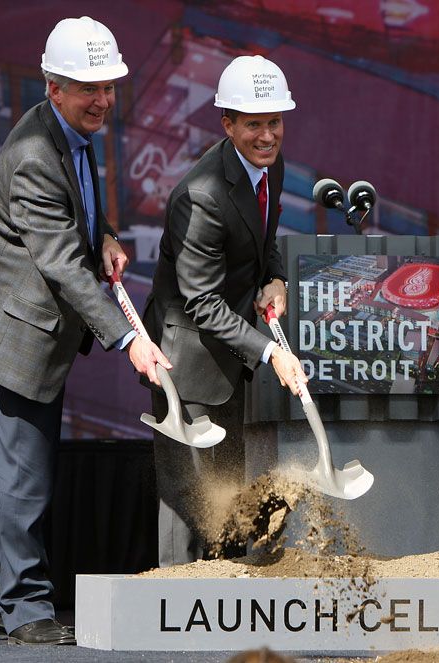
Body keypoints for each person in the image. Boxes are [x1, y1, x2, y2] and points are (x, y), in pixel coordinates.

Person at [0, 16, 170, 645]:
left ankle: (0, 593)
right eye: (88, 88)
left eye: (108, 86)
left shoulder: (73, 132)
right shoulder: (31, 156)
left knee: (11, 474)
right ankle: (26, 610)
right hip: (20, 332)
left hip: (37, 326)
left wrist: (104, 234)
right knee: (26, 478)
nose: (103, 99)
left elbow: (77, 213)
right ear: (54, 87)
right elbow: (58, 264)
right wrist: (130, 338)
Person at [144, 55, 306, 566]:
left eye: (274, 122)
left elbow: (264, 241)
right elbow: (201, 301)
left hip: (229, 358)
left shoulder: (269, 166)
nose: (266, 135)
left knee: (227, 494)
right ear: (227, 124)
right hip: (186, 362)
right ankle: (172, 621)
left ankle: (218, 608)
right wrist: (270, 355)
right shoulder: (200, 196)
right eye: (253, 124)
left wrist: (274, 277)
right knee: (190, 505)